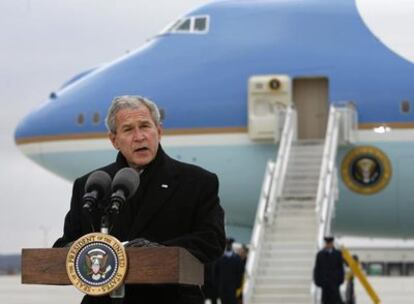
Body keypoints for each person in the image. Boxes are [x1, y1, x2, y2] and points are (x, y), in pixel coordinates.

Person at [53, 95, 226, 304]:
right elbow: (65, 244)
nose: (139, 136)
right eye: (128, 129)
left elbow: (211, 240)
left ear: (159, 131)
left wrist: (158, 251)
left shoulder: (197, 182)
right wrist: (80, 249)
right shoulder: (91, 185)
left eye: (145, 126)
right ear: (114, 140)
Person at [313, 236, 345, 304]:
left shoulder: (338, 254)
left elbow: (341, 268)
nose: (328, 245)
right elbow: (317, 269)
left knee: (336, 301)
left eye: (330, 243)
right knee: (325, 301)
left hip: (335, 283)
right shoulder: (320, 254)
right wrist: (317, 281)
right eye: (327, 243)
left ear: (332, 243)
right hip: (325, 283)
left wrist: (340, 280)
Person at [216, 238, 245, 304]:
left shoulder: (237, 258)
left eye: (229, 244)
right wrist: (218, 285)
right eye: (227, 244)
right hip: (223, 288)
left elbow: (240, 273)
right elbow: (215, 273)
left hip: (232, 288)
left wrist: (238, 285)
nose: (228, 246)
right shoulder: (220, 258)